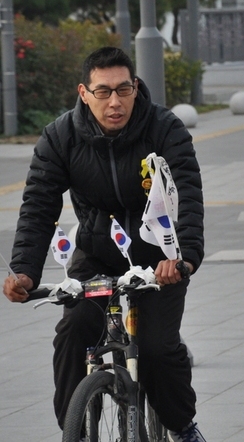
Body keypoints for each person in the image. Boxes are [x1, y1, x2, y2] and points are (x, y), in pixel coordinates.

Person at [2, 47, 206, 442]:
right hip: (97, 252)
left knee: (157, 351)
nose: (115, 102)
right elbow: (38, 206)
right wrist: (24, 270)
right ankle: (74, 429)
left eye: (123, 89)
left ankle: (183, 428)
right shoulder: (60, 136)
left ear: (135, 87)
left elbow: (189, 196)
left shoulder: (164, 128)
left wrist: (184, 259)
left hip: (158, 258)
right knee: (74, 332)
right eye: (103, 91)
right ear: (84, 92)